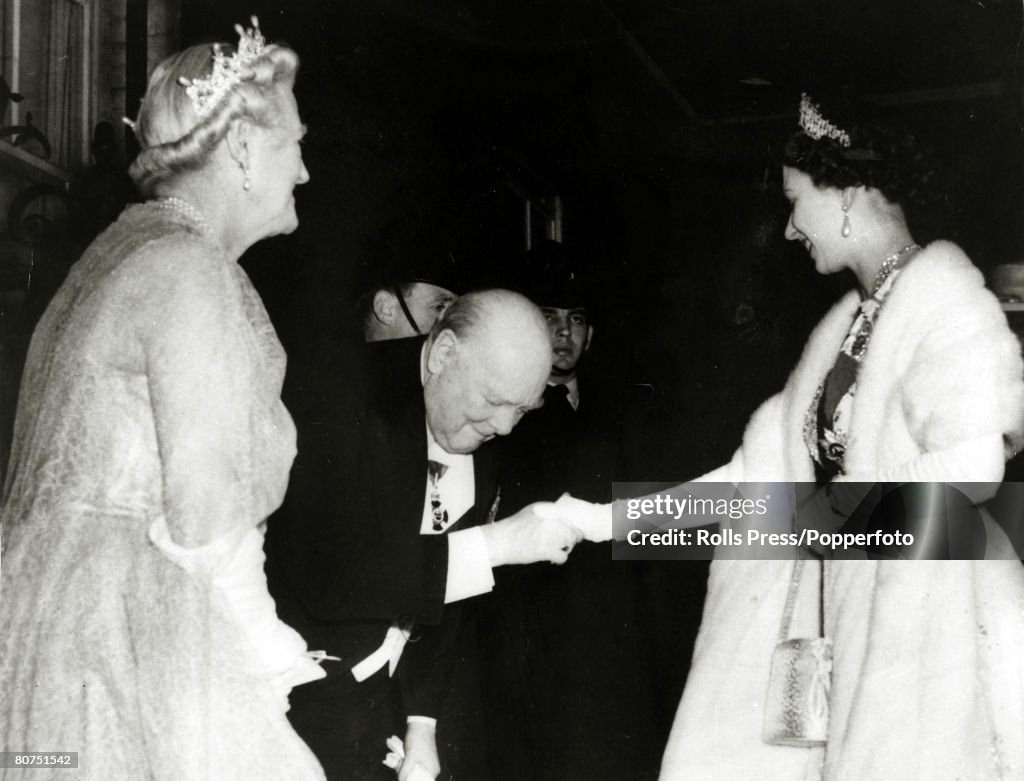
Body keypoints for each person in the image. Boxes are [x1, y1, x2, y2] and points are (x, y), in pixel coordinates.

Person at [658, 93, 1024, 779]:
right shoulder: (847, 325)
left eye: (796, 200)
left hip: (915, 648)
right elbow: (759, 477)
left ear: (849, 192)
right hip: (819, 621)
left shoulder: (946, 298)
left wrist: (829, 518)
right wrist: (616, 521)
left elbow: (975, 467)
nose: (791, 227)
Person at [0, 19, 324, 780]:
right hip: (125, 641)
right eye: (296, 143)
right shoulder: (187, 270)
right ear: (243, 149)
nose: (305, 171)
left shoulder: (119, 254)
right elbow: (205, 521)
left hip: (45, 635)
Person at [268, 289, 589, 781]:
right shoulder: (331, 392)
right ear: (442, 354)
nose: (504, 427)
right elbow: (327, 575)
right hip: (287, 702)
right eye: (496, 402)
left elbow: (446, 583)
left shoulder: (481, 409)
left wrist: (422, 724)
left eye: (522, 410)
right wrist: (499, 545)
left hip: (382, 709)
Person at [482, 240, 664, 780]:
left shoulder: (627, 411)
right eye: (549, 317)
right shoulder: (492, 419)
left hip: (607, 635)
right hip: (524, 639)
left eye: (576, 319)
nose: (563, 334)